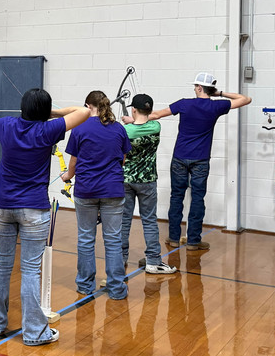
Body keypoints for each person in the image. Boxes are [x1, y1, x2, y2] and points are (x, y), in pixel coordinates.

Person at [0, 90, 89, 345]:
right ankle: (34, 332)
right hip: (34, 209)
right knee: (31, 270)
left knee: (1, 264)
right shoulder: (48, 130)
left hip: (2, 207)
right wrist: (51, 115)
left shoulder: (7, 125)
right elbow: (85, 111)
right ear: (44, 112)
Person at [149, 73, 251, 249]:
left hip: (180, 157)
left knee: (176, 197)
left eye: (195, 86)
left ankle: (173, 238)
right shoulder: (216, 106)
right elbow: (245, 99)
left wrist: (134, 120)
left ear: (199, 87)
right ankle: (193, 241)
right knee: (197, 199)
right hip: (201, 159)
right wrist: (219, 94)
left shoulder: (184, 103)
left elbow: (156, 115)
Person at [62, 90, 132, 299]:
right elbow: (123, 159)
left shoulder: (80, 128)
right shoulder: (119, 129)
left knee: (85, 238)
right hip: (112, 189)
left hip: (87, 190)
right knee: (113, 240)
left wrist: (67, 176)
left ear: (87, 106)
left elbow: (73, 161)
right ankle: (117, 289)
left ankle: (84, 285)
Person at [120, 94, 177, 275]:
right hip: (148, 181)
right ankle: (153, 261)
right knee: (150, 221)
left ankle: (119, 259)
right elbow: (150, 119)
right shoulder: (155, 127)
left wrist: (129, 121)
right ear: (150, 110)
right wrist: (136, 118)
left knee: (123, 221)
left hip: (126, 180)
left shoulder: (124, 131)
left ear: (133, 110)